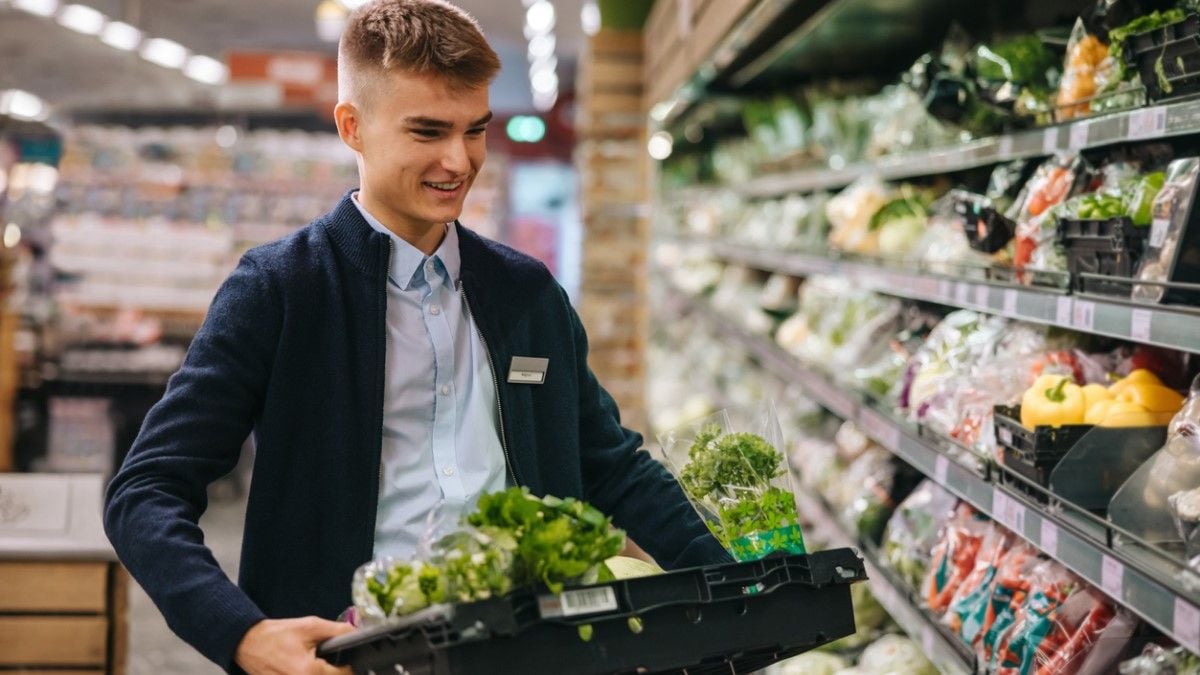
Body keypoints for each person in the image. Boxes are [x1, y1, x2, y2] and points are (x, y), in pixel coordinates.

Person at [103, 1, 728, 673]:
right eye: (427, 132)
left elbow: (614, 467)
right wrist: (242, 634)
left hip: (528, 652)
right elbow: (146, 490)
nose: (458, 161)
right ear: (354, 127)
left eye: (475, 130)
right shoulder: (282, 288)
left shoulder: (527, 295)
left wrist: (743, 584)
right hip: (348, 658)